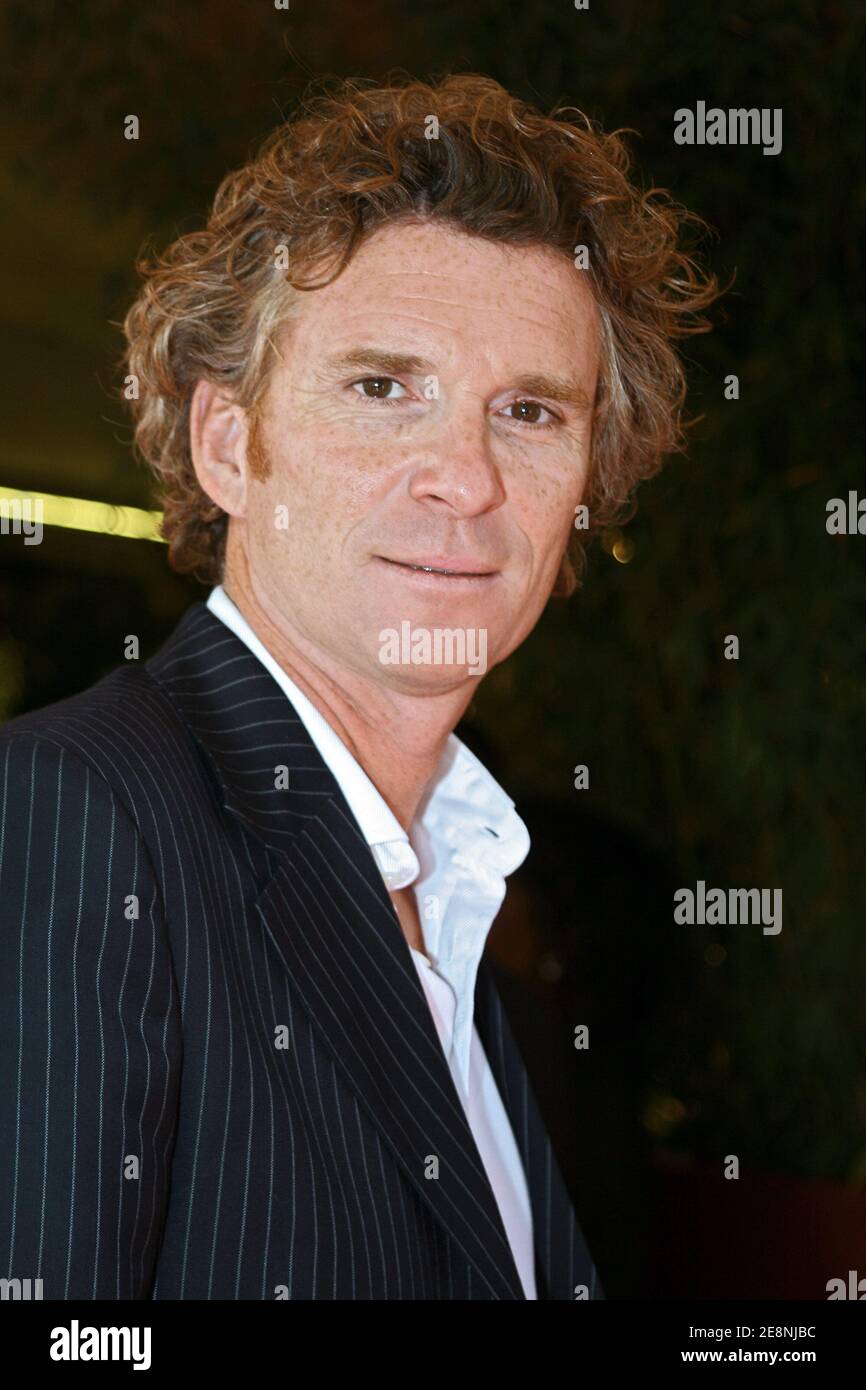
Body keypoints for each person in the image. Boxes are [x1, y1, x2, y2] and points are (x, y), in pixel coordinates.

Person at [0, 73, 718, 1299]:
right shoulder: (71, 814)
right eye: (383, 388)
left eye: (529, 411)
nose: (464, 478)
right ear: (229, 442)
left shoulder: (462, 887)